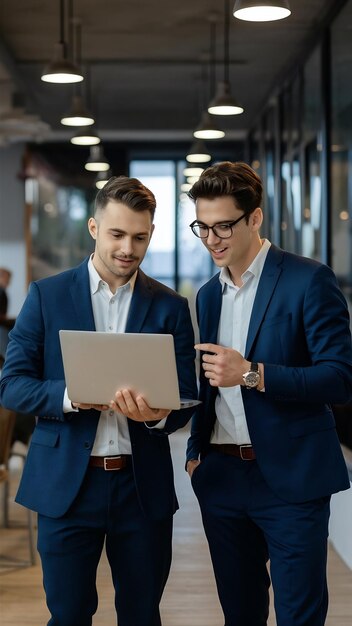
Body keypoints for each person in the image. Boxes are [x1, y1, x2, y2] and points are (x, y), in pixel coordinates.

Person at [0, 175, 197, 626]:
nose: (129, 247)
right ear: (93, 228)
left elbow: (188, 395)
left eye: (140, 237)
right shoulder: (46, 296)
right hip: (67, 487)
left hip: (140, 488)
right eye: (117, 234)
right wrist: (72, 397)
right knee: (68, 615)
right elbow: (11, 384)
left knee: (141, 613)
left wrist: (159, 416)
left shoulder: (169, 306)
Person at [186, 161, 352, 626]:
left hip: (292, 480)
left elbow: (339, 378)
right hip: (221, 476)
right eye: (202, 226)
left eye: (224, 225)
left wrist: (253, 374)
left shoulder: (308, 279)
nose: (212, 239)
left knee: (299, 615)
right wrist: (197, 452)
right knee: (240, 614)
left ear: (254, 218)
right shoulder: (207, 295)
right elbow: (209, 382)